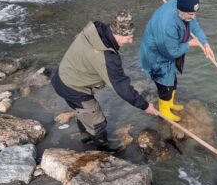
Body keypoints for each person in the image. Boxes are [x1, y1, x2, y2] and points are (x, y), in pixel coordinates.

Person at [51, 11, 158, 152]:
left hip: (61, 75)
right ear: (117, 34)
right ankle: (102, 148)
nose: (131, 41)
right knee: (98, 121)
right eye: (129, 37)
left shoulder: (96, 30)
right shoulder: (107, 58)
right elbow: (122, 88)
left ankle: (86, 138)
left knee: (83, 111)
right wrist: (145, 106)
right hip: (73, 87)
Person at [140, 0, 215, 122]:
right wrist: (189, 44)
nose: (193, 16)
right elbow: (171, 52)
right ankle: (164, 112)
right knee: (165, 87)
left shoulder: (183, 7)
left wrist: (205, 44)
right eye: (191, 14)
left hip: (168, 51)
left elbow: (194, 25)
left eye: (195, 13)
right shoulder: (167, 26)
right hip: (156, 57)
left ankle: (170, 104)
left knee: (172, 82)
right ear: (181, 11)